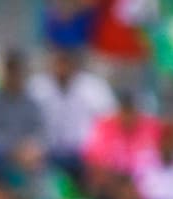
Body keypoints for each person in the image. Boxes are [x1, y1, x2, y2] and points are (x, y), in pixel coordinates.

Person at [28, 46, 117, 175]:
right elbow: (28, 121)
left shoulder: (94, 87)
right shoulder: (38, 87)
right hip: (47, 153)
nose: (61, 68)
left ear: (74, 64)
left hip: (85, 156)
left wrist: (98, 149)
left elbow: (109, 122)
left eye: (65, 62)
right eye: (58, 62)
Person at [0, 48, 44, 168]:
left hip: (29, 158)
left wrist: (30, 148)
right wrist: (13, 150)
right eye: (11, 71)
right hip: (1, 160)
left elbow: (39, 131)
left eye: (18, 71)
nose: (14, 76)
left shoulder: (32, 102)